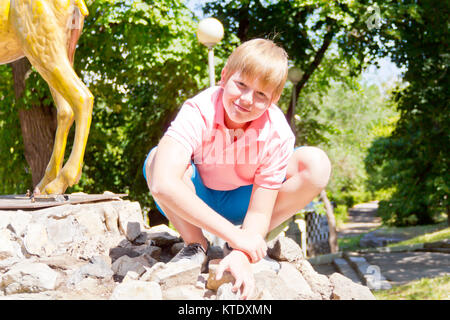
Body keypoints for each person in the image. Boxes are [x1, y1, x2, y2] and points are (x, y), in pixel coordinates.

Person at [143, 38, 331, 299]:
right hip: (198, 198)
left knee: (316, 164)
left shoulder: (277, 133)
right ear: (224, 76)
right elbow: (163, 183)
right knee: (156, 161)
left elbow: (260, 210)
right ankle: (195, 245)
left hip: (244, 202)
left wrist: (242, 252)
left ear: (274, 99)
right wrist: (234, 235)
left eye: (261, 94)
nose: (246, 99)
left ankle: (238, 245)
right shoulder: (199, 109)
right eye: (241, 84)